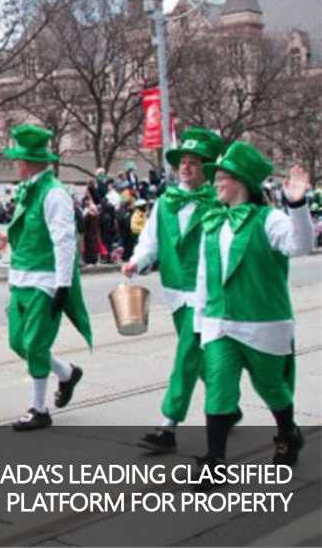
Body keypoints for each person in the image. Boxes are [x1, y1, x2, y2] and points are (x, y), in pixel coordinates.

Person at [194, 145, 313, 476]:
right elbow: (204, 275)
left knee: (272, 388)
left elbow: (301, 246)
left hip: (263, 322)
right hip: (220, 323)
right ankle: (215, 461)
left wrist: (297, 204)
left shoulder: (269, 219)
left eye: (221, 177)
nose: (215, 183)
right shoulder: (214, 221)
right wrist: (198, 321)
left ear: (241, 181)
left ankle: (288, 432)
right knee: (218, 386)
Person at [122, 128, 224, 453]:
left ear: (207, 169)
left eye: (194, 162)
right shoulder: (166, 201)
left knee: (186, 356)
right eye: (183, 161)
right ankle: (226, 406)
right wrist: (136, 262)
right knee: (203, 360)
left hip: (207, 294)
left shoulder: (219, 203)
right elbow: (150, 241)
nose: (186, 167)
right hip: (176, 293)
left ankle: (167, 426)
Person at [3, 125, 91, 431]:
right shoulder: (28, 190)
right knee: (18, 342)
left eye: (18, 160)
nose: (17, 164)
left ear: (26, 163)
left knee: (36, 345)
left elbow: (64, 242)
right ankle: (66, 373)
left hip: (45, 280)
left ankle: (38, 410)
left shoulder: (54, 193)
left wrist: (63, 286)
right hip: (21, 278)